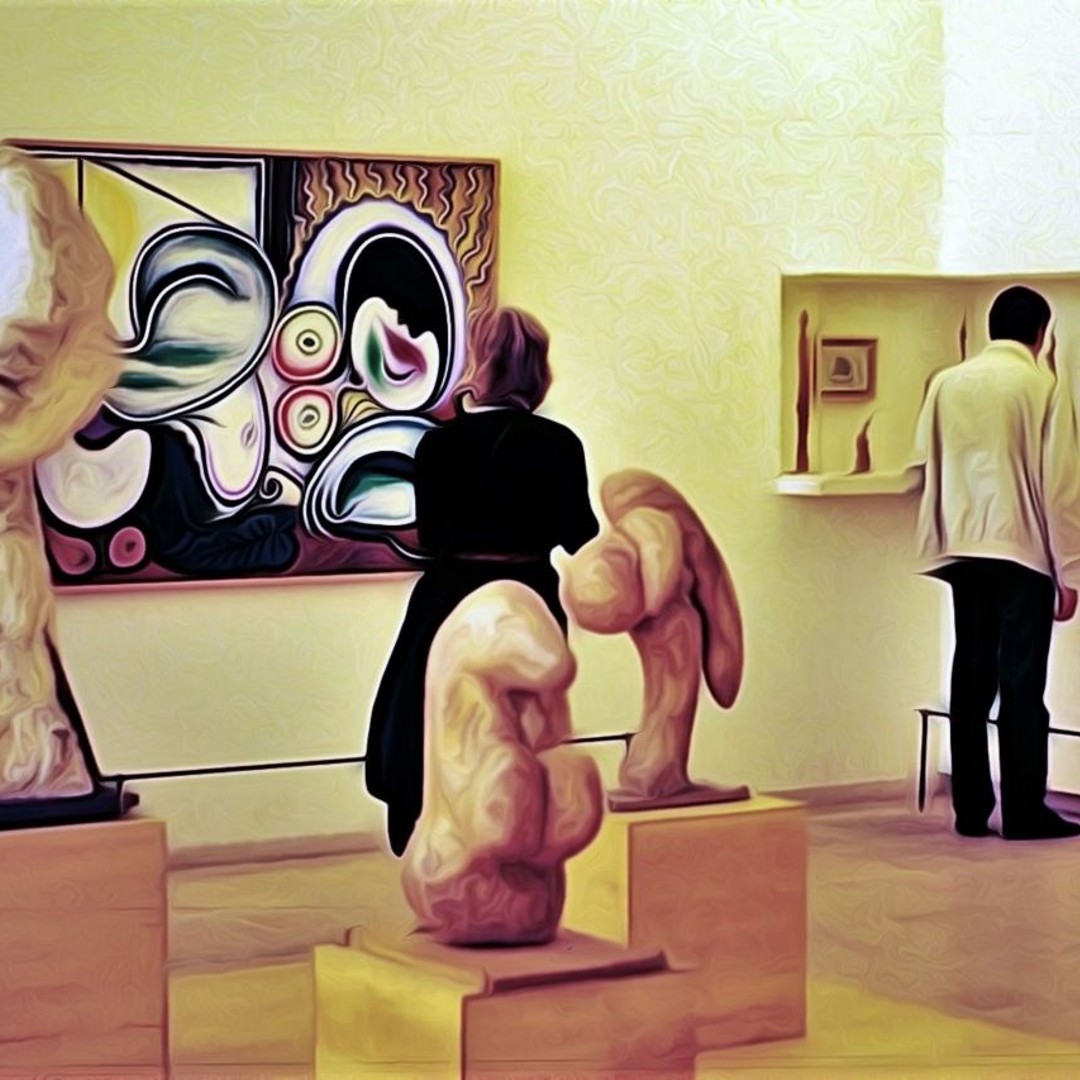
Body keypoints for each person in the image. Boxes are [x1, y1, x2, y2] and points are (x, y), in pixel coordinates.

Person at [364, 307, 599, 856]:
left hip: (449, 594)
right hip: (527, 595)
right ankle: (513, 834)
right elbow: (579, 533)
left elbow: (430, 534)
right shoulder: (558, 443)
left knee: (427, 715)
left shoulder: (438, 445)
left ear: (481, 363)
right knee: (521, 726)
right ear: (538, 370)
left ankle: (434, 830)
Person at [912, 284, 1080, 840]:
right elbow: (1061, 488)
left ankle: (970, 810)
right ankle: (1025, 812)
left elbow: (924, 461)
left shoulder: (947, 382)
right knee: (1022, 685)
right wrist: (1071, 570)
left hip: (961, 546)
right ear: (1042, 334)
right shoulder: (1042, 387)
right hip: (1021, 549)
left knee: (971, 675)